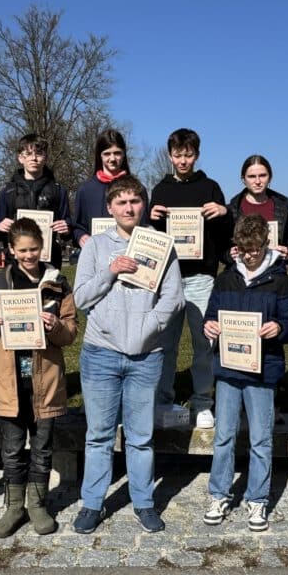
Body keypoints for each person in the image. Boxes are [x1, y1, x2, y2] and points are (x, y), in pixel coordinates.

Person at [72, 176, 184, 534]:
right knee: (99, 435)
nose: (129, 208)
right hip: (101, 352)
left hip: (146, 355)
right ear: (110, 208)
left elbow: (174, 297)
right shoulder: (96, 246)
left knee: (140, 436)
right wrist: (111, 271)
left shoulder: (160, 244)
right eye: (121, 202)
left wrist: (149, 326)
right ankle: (92, 503)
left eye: (135, 201)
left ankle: (144, 502)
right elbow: (80, 298)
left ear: (143, 205)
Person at [201, 215, 288, 532]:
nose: (249, 255)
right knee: (223, 437)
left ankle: (257, 499)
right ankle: (219, 494)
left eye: (255, 249)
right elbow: (210, 315)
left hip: (262, 372)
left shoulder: (280, 281)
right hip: (228, 369)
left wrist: (279, 327)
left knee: (260, 440)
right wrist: (209, 326)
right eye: (243, 250)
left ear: (265, 244)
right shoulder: (225, 279)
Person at [0, 218, 78, 538]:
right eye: (22, 250)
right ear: (11, 250)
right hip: (10, 379)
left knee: (42, 447)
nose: (28, 255)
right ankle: (13, 506)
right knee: (12, 448)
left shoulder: (57, 282)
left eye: (34, 249)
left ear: (42, 247)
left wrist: (56, 326)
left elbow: (70, 332)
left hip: (44, 378)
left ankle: (37, 504)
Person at [149, 128, 232, 429]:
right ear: (170, 156)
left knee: (204, 342)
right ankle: (163, 400)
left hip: (201, 276)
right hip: (168, 278)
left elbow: (224, 234)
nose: (183, 161)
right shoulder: (160, 189)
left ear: (196, 155)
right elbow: (153, 237)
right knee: (165, 343)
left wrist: (224, 212)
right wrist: (151, 218)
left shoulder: (210, 188)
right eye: (177, 155)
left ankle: (202, 403)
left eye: (188, 155)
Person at [0, 133, 72, 268]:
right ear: (20, 158)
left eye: (39, 154)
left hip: (48, 261)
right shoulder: (8, 191)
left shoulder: (58, 190)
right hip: (16, 262)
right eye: (28, 154)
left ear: (46, 157)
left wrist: (67, 228)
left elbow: (67, 230)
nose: (34, 158)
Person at [72, 128, 148, 248]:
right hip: (96, 254)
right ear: (100, 156)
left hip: (129, 253)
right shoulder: (85, 190)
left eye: (117, 153)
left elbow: (145, 225)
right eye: (107, 154)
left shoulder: (138, 190)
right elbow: (77, 226)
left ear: (124, 154)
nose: (112, 159)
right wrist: (80, 236)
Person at [225, 155, 288, 264]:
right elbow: (221, 249)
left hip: (274, 271)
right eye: (252, 176)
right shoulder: (232, 210)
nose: (258, 181)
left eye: (262, 175)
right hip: (240, 271)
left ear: (270, 177)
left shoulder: (283, 210)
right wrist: (229, 255)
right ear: (243, 179)